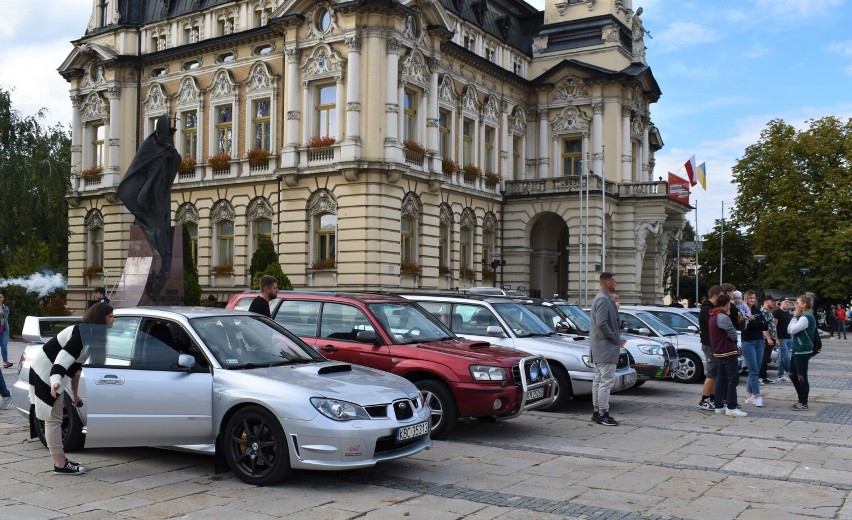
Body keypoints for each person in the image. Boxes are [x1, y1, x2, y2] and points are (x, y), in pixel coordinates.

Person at [28, 303, 115, 475]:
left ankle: (60, 461)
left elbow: (76, 367)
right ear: (100, 318)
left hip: (55, 375)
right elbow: (62, 359)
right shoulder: (81, 333)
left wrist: (74, 394)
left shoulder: (92, 335)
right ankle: (59, 464)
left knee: (54, 418)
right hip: (46, 372)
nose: (113, 320)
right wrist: (55, 381)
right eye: (110, 316)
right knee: (53, 419)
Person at [116, 113, 182, 291]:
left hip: (161, 197)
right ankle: (156, 270)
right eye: (168, 133)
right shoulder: (149, 146)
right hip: (147, 197)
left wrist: (171, 156)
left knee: (161, 230)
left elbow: (175, 162)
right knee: (154, 229)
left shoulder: (168, 148)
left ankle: (161, 273)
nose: (170, 137)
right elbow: (140, 167)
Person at [589, 272, 621, 426]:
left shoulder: (603, 297)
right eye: (615, 282)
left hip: (602, 347)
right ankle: (603, 413)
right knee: (605, 381)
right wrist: (614, 337)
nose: (616, 284)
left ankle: (597, 412)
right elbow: (602, 323)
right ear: (608, 283)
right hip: (605, 347)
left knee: (599, 380)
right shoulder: (603, 299)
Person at [709, 294, 747, 417]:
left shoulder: (713, 316)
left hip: (719, 351)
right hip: (727, 351)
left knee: (721, 378)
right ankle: (731, 406)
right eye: (729, 304)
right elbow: (732, 333)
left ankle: (719, 405)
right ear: (727, 304)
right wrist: (735, 342)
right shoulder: (722, 316)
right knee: (733, 379)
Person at [788, 293, 816, 410]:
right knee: (792, 375)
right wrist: (795, 317)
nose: (796, 304)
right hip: (797, 350)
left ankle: (803, 402)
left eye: (798, 302)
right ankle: (801, 398)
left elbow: (793, 330)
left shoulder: (806, 317)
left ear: (804, 304)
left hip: (802, 350)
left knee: (801, 376)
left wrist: (794, 316)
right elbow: (789, 329)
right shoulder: (802, 316)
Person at [698, 285, 724, 410]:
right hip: (709, 345)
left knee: (715, 373)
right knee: (711, 373)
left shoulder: (712, 308)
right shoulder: (706, 310)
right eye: (720, 296)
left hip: (714, 345)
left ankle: (712, 398)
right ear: (715, 296)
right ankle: (704, 400)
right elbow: (714, 326)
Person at [741, 290, 767, 407]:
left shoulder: (757, 311)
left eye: (754, 298)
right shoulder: (742, 311)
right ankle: (757, 395)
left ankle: (748, 396)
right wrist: (758, 323)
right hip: (748, 342)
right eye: (750, 298)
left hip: (759, 342)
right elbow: (746, 326)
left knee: (755, 370)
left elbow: (765, 325)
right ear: (745, 299)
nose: (752, 300)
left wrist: (754, 322)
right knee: (754, 371)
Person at [773, 298, 794, 382]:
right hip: (781, 338)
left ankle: (780, 375)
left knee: (782, 357)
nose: (787, 303)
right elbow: (774, 327)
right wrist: (776, 339)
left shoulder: (789, 313)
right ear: (781, 302)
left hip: (789, 337)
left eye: (788, 302)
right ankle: (791, 373)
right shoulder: (777, 313)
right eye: (786, 302)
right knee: (786, 357)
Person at [758, 295, 777, 384]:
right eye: (771, 301)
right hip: (766, 339)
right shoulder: (762, 312)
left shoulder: (768, 312)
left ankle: (764, 376)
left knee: (766, 359)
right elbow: (763, 327)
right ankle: (760, 377)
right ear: (766, 301)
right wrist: (768, 338)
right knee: (763, 358)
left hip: (771, 338)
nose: (773, 303)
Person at [0, 292, 10, 368]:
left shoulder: (6, 308)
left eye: (0, 297)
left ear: (3, 298)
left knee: (4, 346)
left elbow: (5, 319)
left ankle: (6, 362)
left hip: (3, 329)